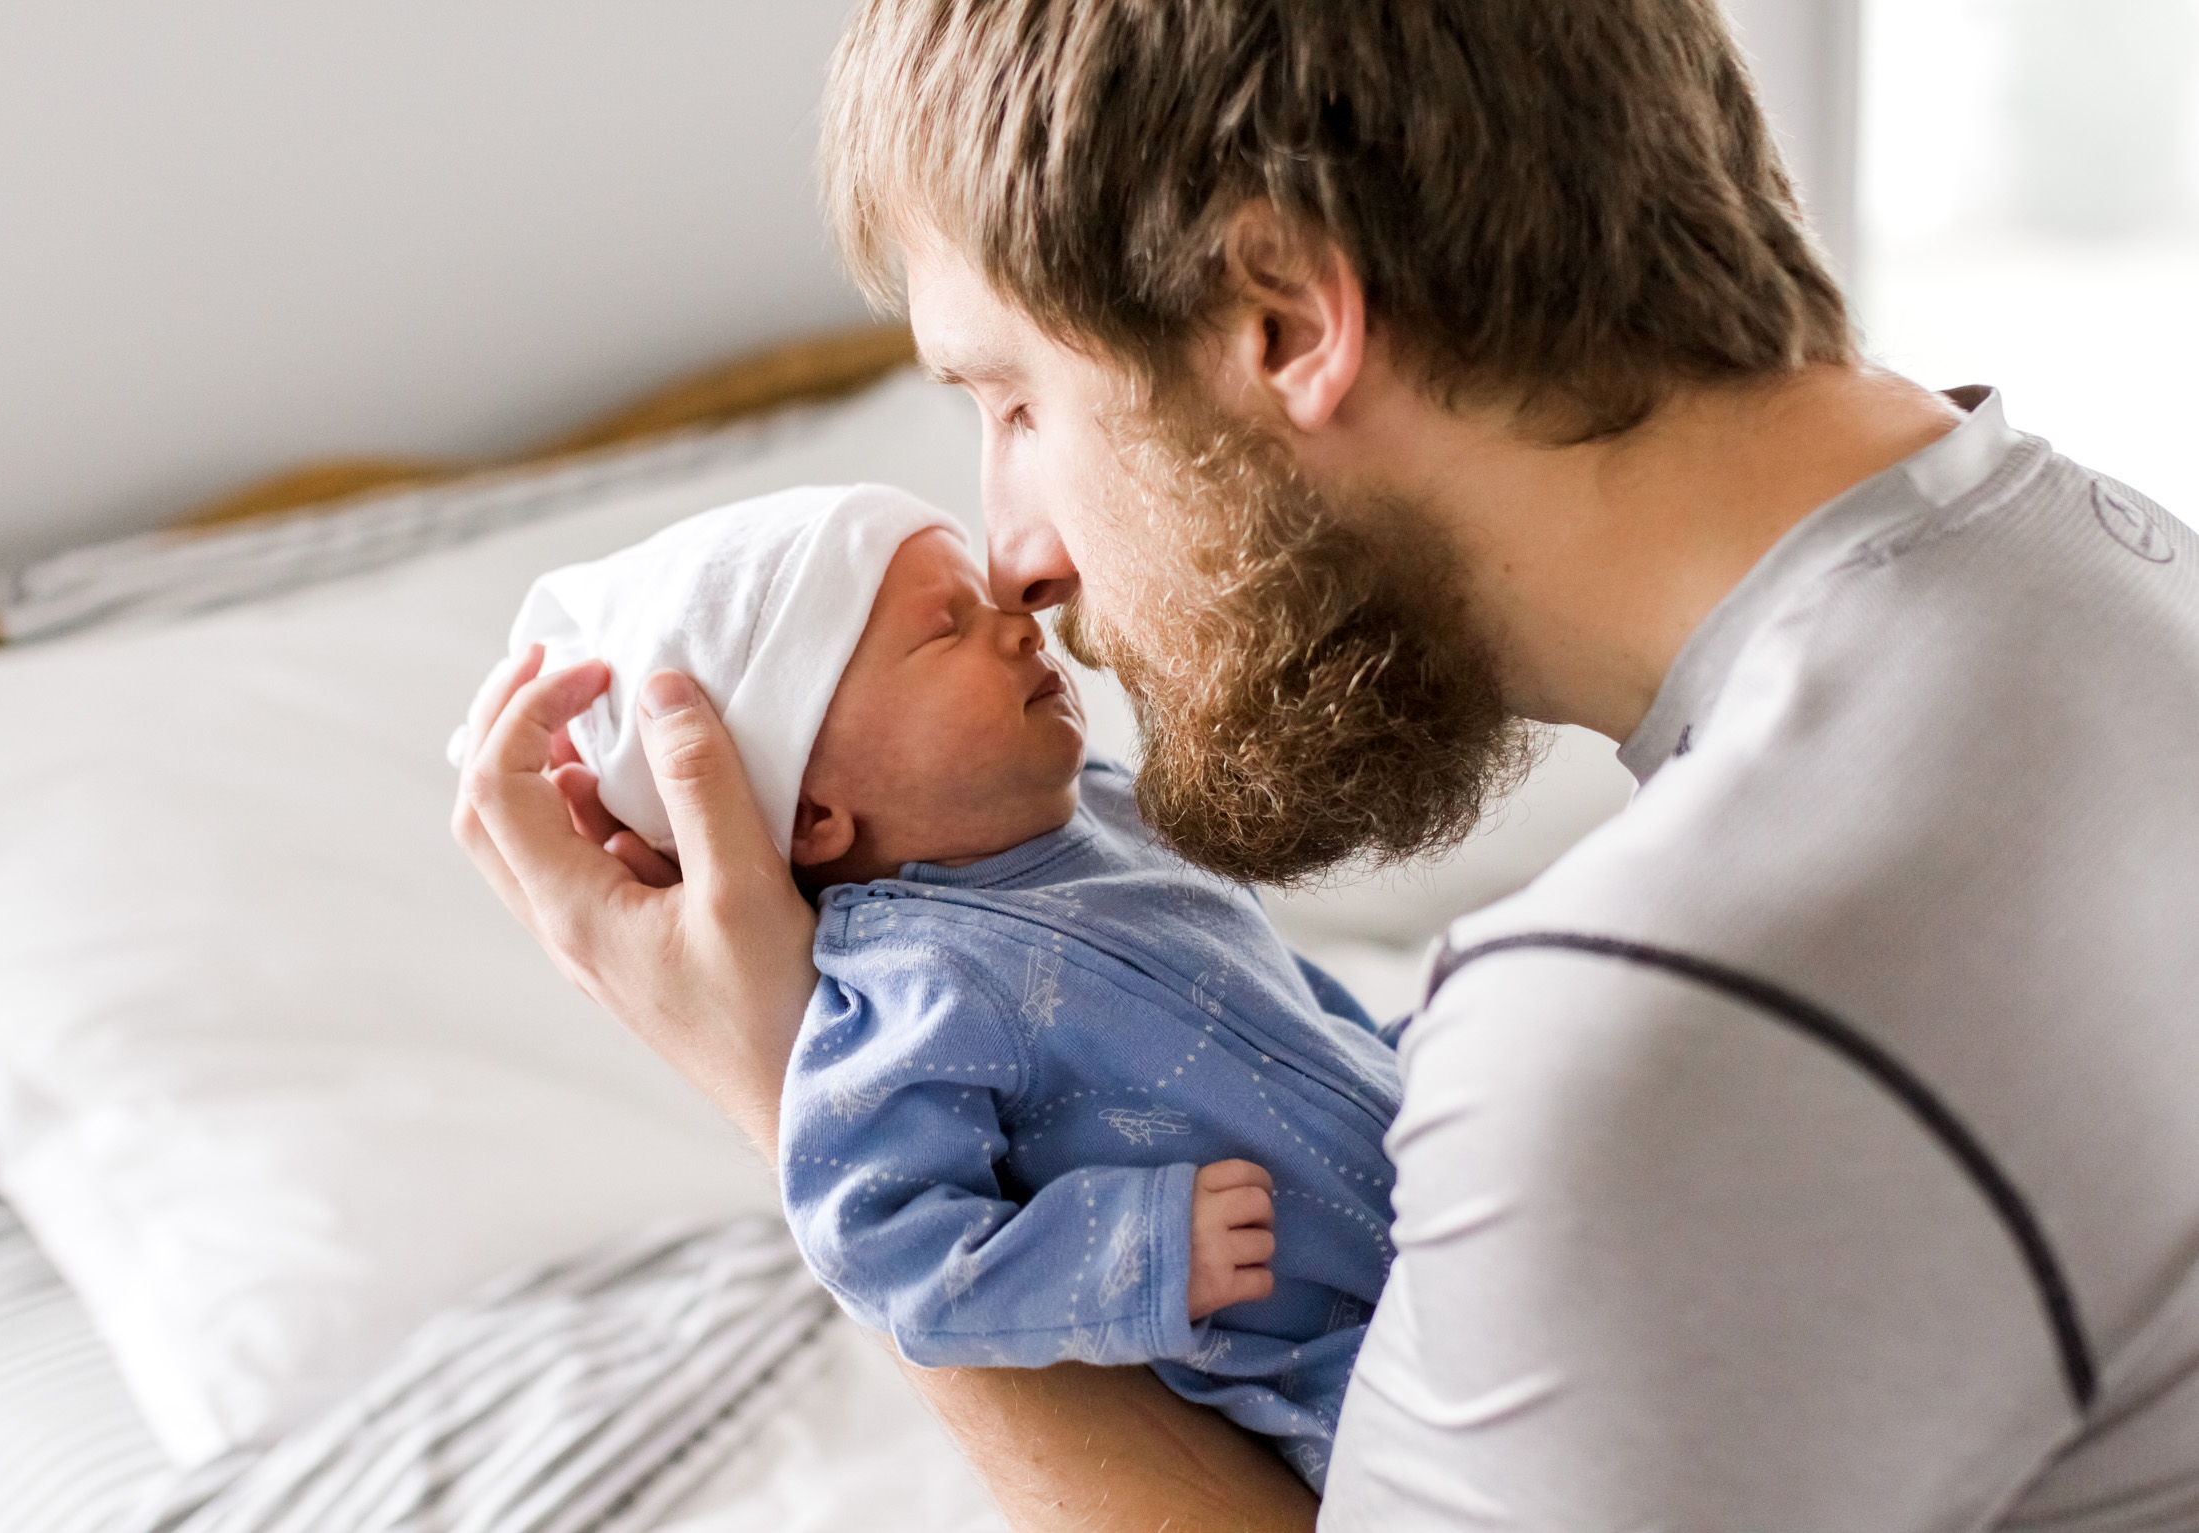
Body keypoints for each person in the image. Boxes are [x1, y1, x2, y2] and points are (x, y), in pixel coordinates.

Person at [454, 0, 2199, 1527]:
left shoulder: (1654, 1028)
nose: (1022, 557)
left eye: (1013, 405)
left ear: (1285, 318)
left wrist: (784, 1088)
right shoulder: (2115, 566)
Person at [462, 481, 1403, 1489]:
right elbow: (887, 1248)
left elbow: (1280, 1006)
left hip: (1428, 1195)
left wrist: (1406, 1060)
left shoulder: (1111, 815)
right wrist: (1137, 1248)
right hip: (1333, 1368)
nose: (1019, 622)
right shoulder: (910, 983)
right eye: (944, 628)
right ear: (814, 813)